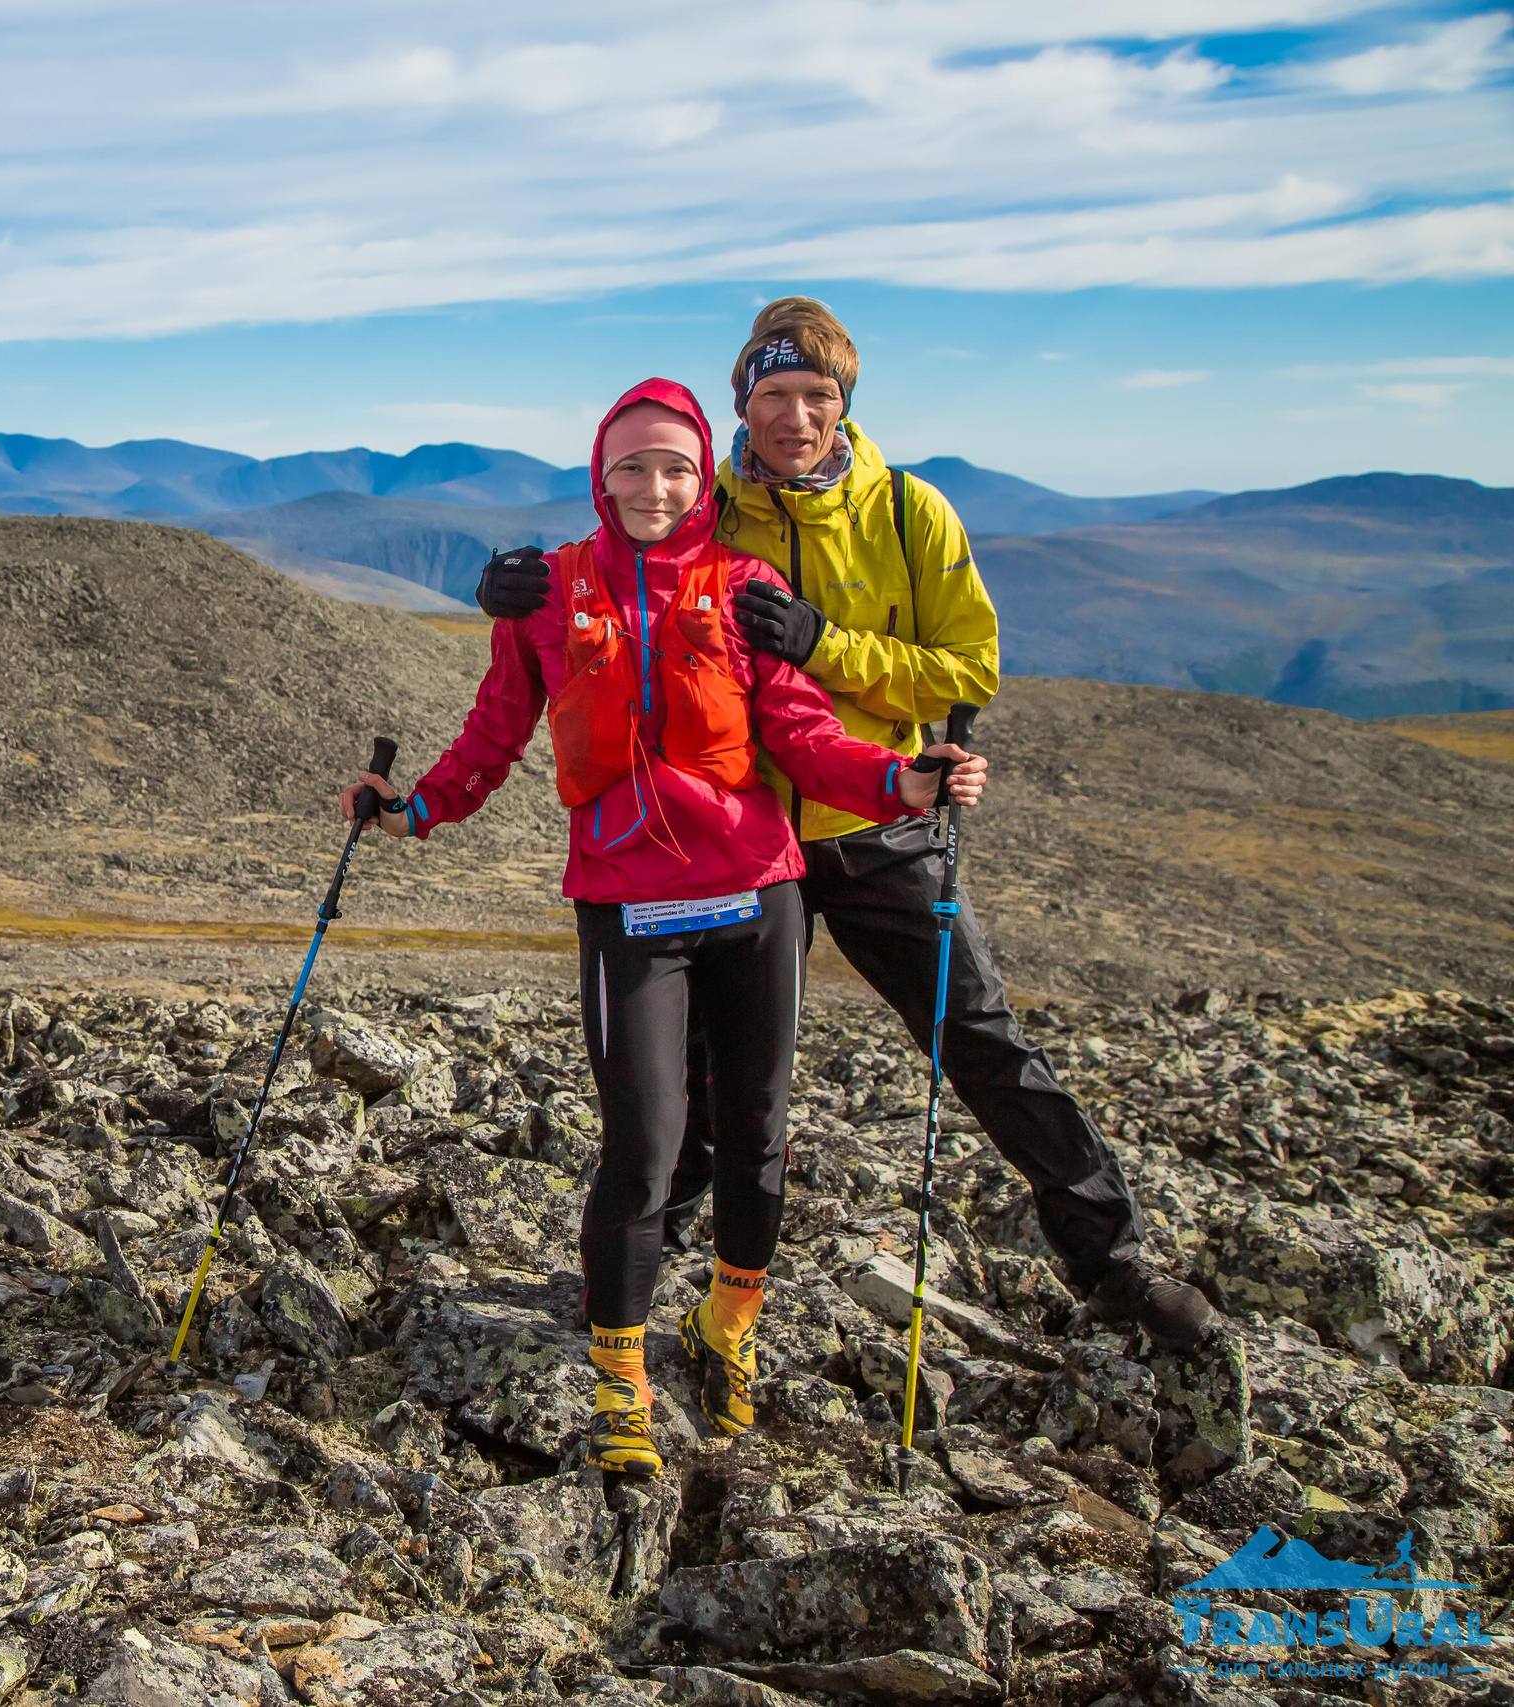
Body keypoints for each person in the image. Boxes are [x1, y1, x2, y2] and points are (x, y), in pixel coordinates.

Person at [474, 298, 1224, 1353]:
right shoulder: (711, 504)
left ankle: (1113, 1261)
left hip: (870, 829)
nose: (794, 417)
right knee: (692, 1092)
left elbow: (969, 671)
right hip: (738, 852)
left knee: (977, 1039)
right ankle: (629, 1291)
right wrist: (514, 590)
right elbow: (628, 571)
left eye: (816, 396)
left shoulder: (911, 511)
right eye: (773, 395)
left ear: (844, 403)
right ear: (742, 402)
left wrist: (829, 646)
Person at [346, 378, 986, 1477]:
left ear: (704, 478)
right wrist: (414, 809)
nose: (653, 487)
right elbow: (496, 731)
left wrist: (903, 782)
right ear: (600, 474)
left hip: (757, 898)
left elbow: (801, 732)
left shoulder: (745, 587)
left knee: (758, 1135)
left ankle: (727, 1329)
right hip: (628, 903)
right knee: (641, 1151)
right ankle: (620, 1380)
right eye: (631, 467)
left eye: (677, 468)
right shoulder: (549, 593)